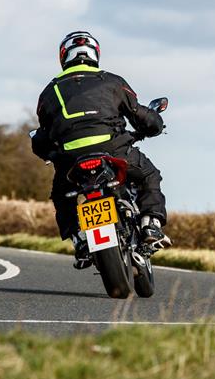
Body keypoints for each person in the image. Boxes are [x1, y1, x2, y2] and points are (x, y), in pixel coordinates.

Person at [31, 31, 171, 267]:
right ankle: (150, 225)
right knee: (149, 175)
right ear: (95, 53)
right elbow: (139, 114)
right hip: (114, 149)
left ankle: (79, 239)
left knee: (61, 196)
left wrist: (51, 153)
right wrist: (154, 124)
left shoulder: (49, 92)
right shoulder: (112, 81)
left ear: (63, 57)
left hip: (71, 159)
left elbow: (42, 137)